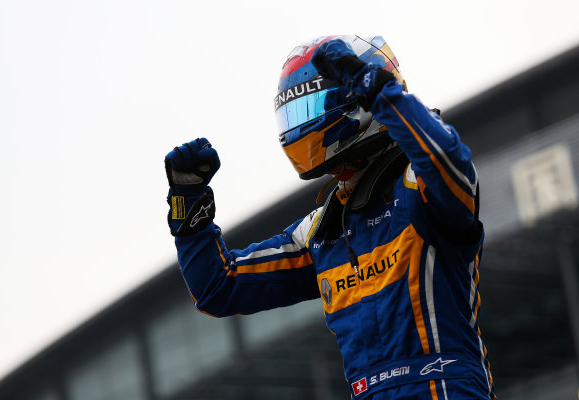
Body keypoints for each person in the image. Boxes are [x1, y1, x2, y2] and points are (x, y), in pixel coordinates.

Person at [164, 35, 496, 399]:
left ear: (358, 99)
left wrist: (384, 96)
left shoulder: (422, 186)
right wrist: (188, 203)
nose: (305, 126)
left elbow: (447, 156)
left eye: (317, 106)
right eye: (298, 113)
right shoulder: (320, 232)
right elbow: (218, 288)